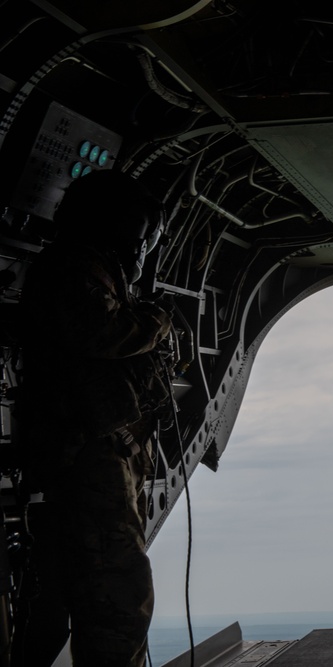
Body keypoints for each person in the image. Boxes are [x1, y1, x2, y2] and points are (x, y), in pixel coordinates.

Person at [13, 170, 174, 666]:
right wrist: (157, 321)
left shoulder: (93, 270)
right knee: (117, 598)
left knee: (103, 591)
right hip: (88, 458)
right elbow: (99, 332)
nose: (142, 246)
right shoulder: (71, 268)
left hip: (101, 454)